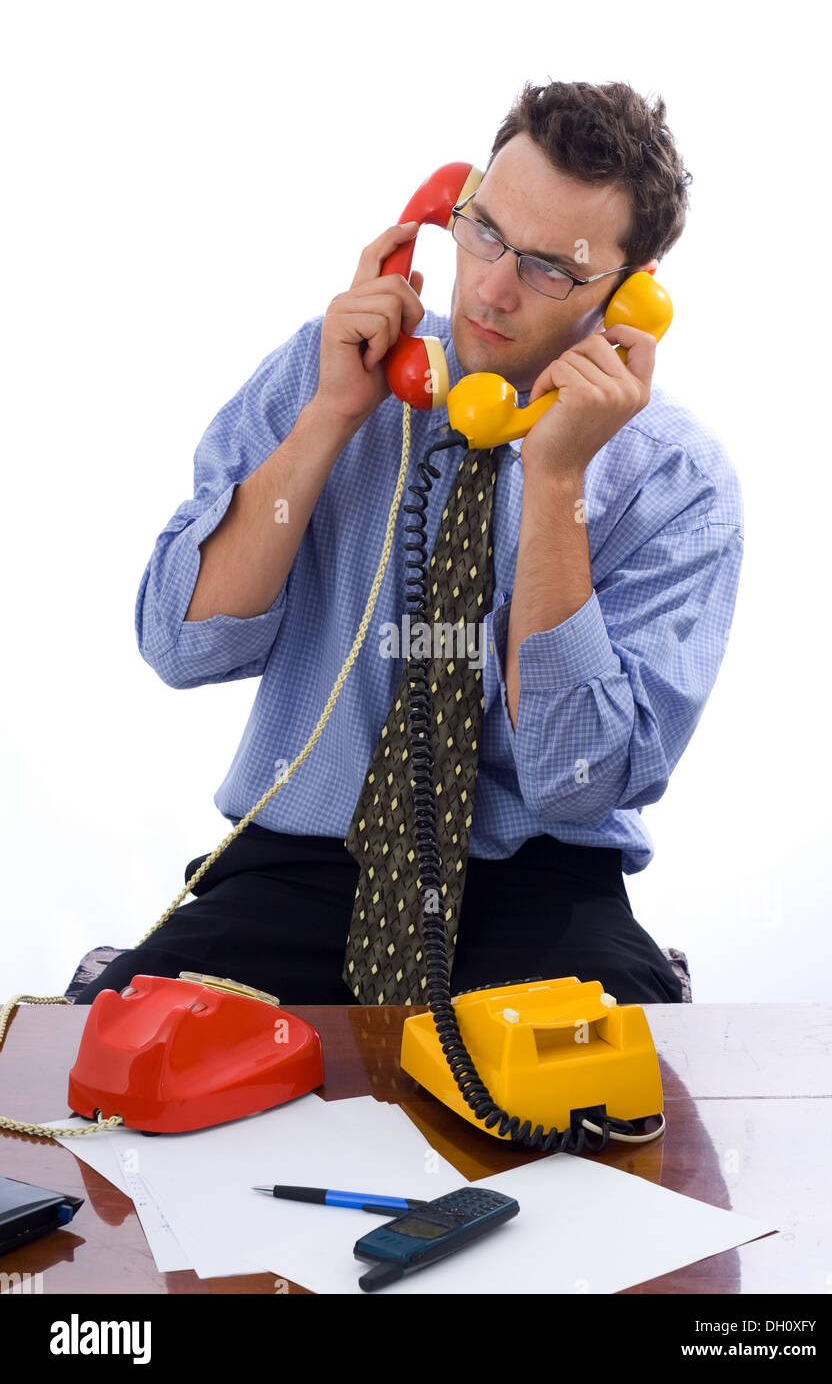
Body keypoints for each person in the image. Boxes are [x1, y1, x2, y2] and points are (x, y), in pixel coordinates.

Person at [74, 80, 742, 1008]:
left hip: (538, 886)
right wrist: (329, 420)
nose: (494, 288)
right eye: (485, 233)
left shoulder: (681, 483)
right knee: (114, 1079)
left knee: (601, 1111)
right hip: (300, 861)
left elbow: (579, 778)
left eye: (552, 267)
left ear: (634, 296)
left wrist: (556, 487)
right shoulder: (330, 369)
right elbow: (180, 645)